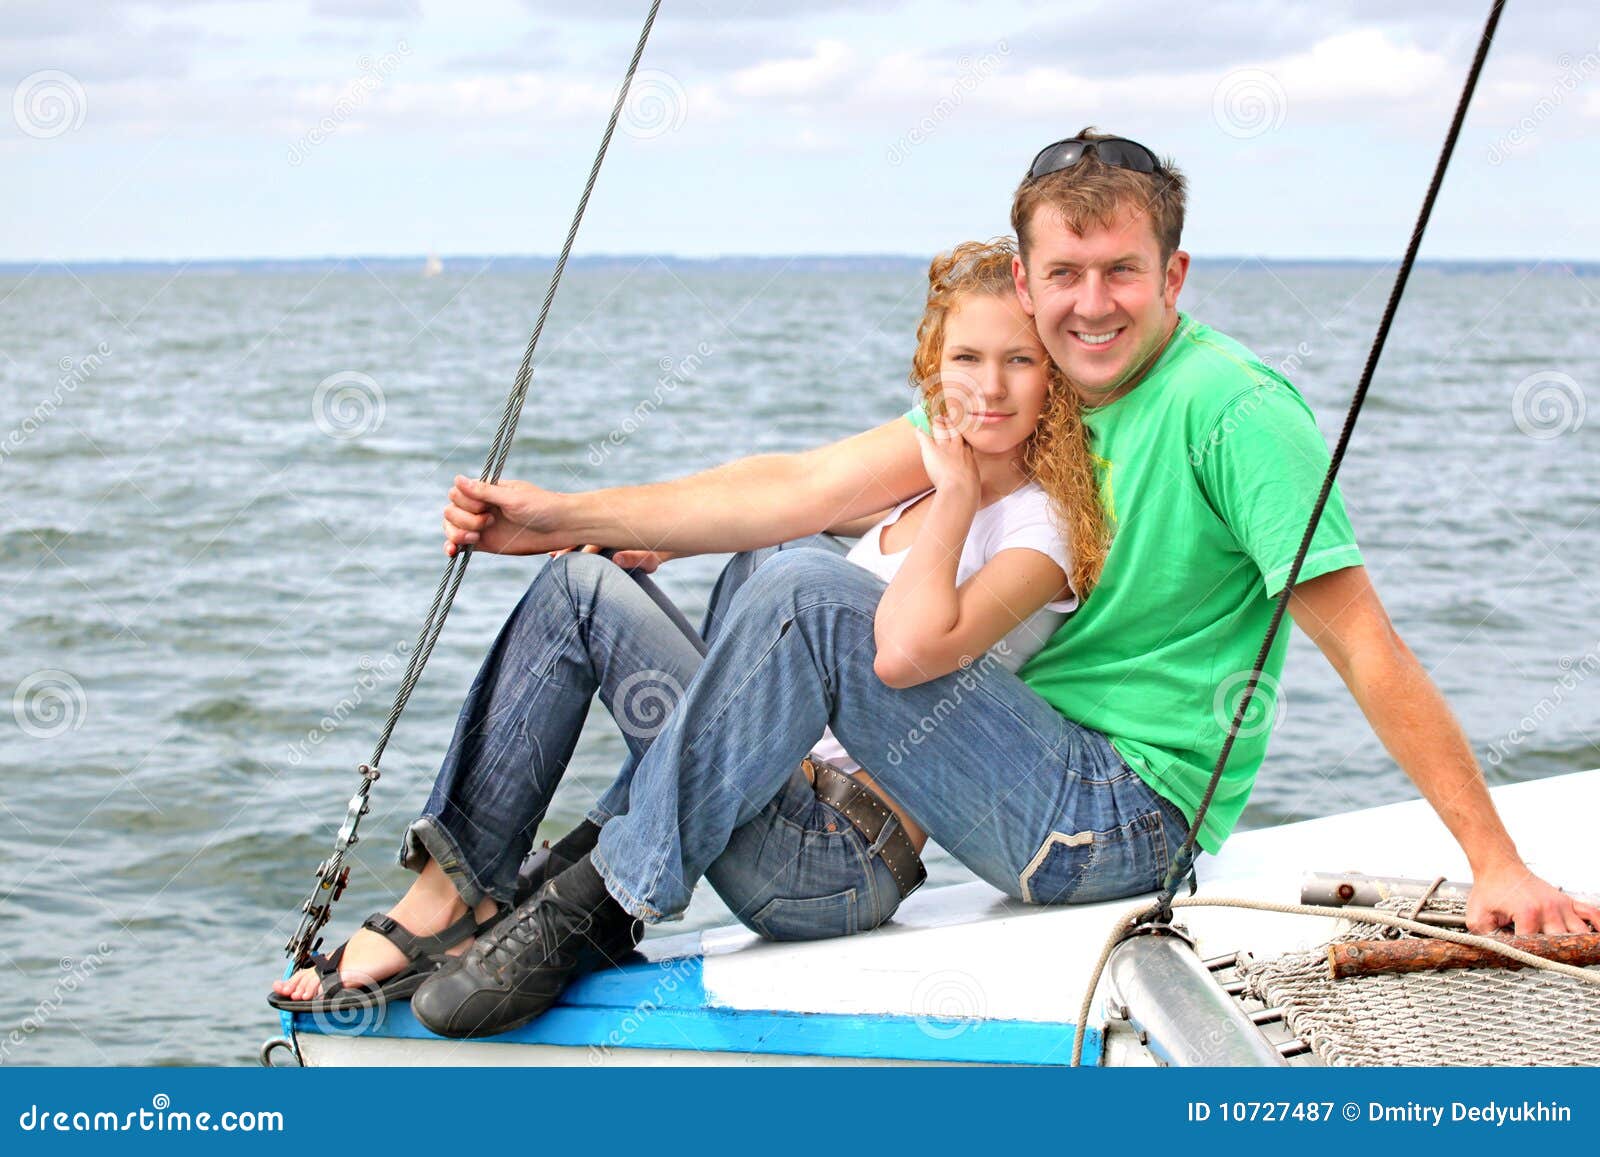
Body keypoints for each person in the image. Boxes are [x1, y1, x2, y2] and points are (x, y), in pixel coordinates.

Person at [403, 128, 1599, 1040]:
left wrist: (1493, 859)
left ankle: (603, 900)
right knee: (767, 559)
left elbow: (1366, 647)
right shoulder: (1034, 393)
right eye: (1064, 273)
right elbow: (799, 482)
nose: (1093, 303)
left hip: (1126, 815)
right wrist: (564, 514)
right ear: (1024, 280)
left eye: (1120, 271)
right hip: (1021, 776)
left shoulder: (1234, 413)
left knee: (814, 594)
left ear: (1172, 271)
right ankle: (463, 893)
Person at [269, 237, 1103, 1013]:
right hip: (774, 793)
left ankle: (455, 901)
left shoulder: (1041, 528)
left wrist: (957, 494)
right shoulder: (916, 488)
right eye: (967, 358)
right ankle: (523, 882)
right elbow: (779, 490)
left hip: (839, 858)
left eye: (1019, 361)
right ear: (933, 367)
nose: (989, 388)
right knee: (756, 555)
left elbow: (906, 653)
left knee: (587, 594)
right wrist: (625, 530)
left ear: (1053, 378)